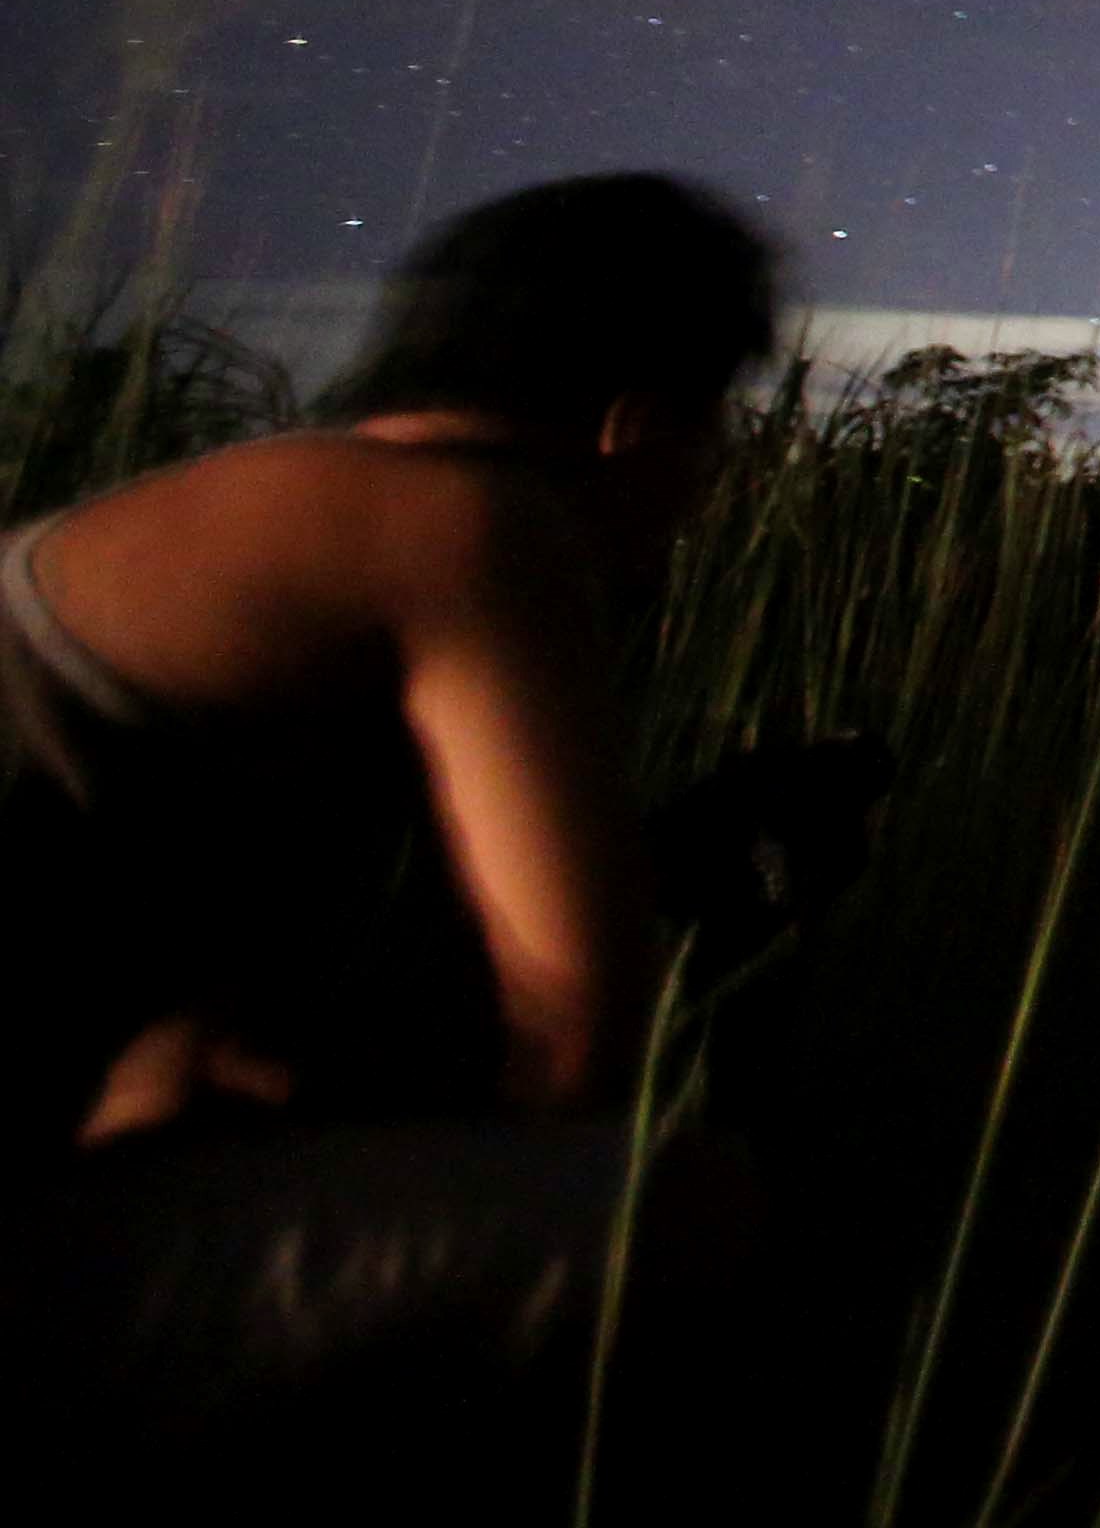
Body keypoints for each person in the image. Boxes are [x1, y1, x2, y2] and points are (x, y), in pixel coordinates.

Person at [0, 170, 780, 1451]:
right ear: (633, 426)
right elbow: (582, 1046)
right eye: (718, 436)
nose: (715, 487)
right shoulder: (469, 524)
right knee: (686, 1204)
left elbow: (166, 1061)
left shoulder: (253, 512)